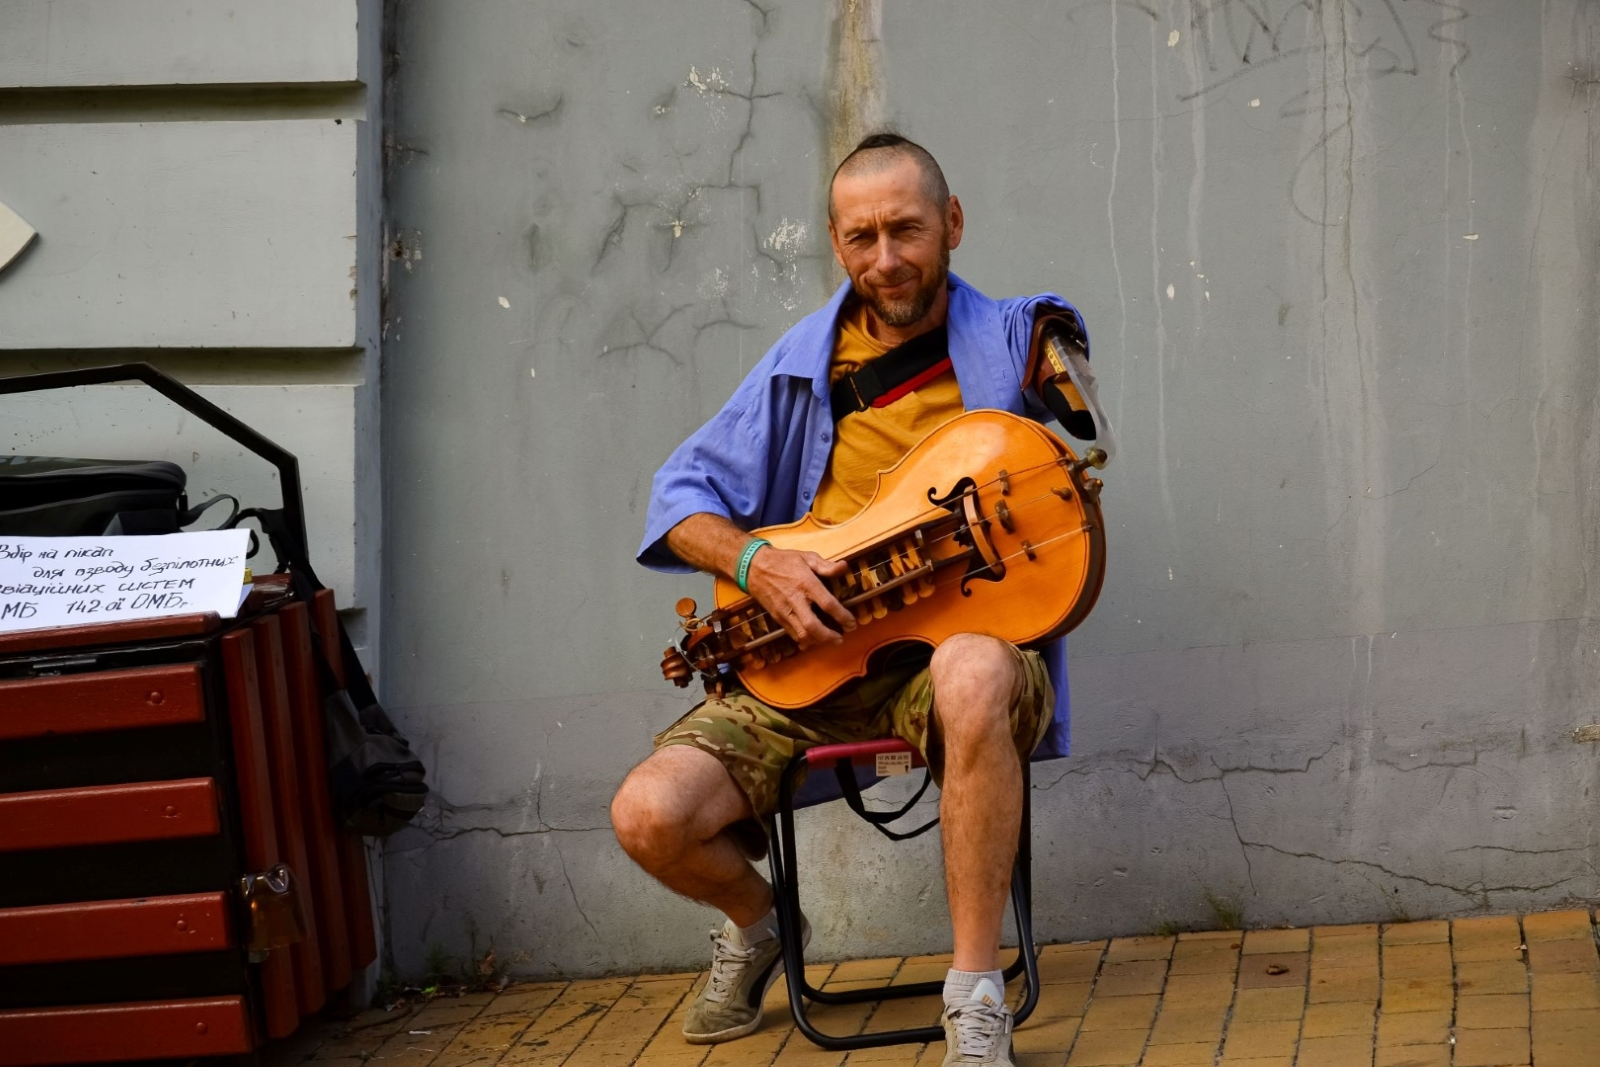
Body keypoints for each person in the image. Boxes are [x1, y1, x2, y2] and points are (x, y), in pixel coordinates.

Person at [611, 132, 1096, 1067]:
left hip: (958, 661)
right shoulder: (801, 364)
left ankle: (975, 995)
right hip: (814, 662)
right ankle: (760, 925)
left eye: (906, 230)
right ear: (837, 244)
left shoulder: (1007, 336)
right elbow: (677, 501)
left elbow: (1062, 357)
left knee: (971, 670)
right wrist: (759, 563)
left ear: (952, 224)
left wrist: (1058, 362)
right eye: (862, 237)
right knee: (647, 814)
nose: (886, 258)